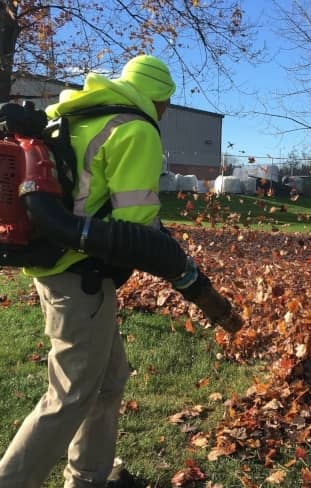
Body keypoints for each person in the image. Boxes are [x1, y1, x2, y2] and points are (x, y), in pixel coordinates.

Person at [0, 55, 179, 487]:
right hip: (81, 279)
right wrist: (171, 253)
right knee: (69, 395)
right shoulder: (135, 129)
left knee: (110, 378)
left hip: (61, 267)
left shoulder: (81, 115)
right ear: (161, 100)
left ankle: (88, 477)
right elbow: (135, 225)